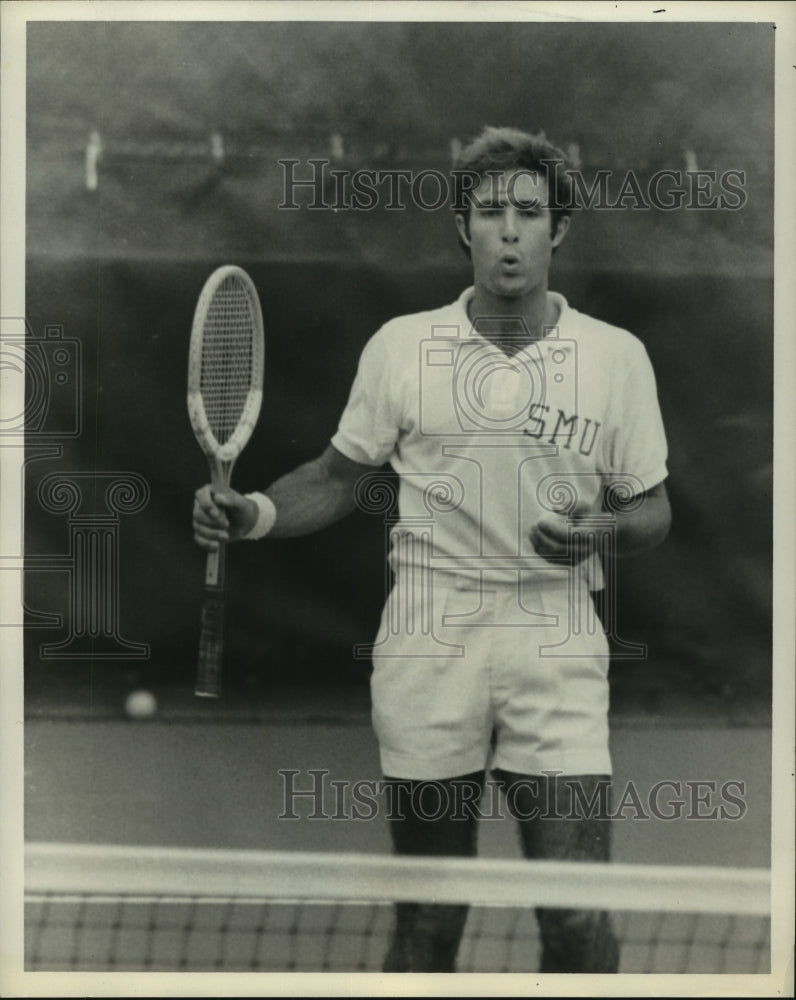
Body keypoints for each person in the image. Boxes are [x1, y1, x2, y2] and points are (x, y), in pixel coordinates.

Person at [192, 125, 671, 973]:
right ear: (464, 227)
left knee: (576, 923)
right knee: (427, 923)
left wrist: (601, 530)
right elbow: (337, 478)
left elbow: (654, 509)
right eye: (491, 213)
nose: (510, 230)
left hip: (554, 640)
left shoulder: (615, 359)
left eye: (529, 212)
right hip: (427, 639)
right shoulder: (401, 346)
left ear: (559, 229)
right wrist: (255, 513)